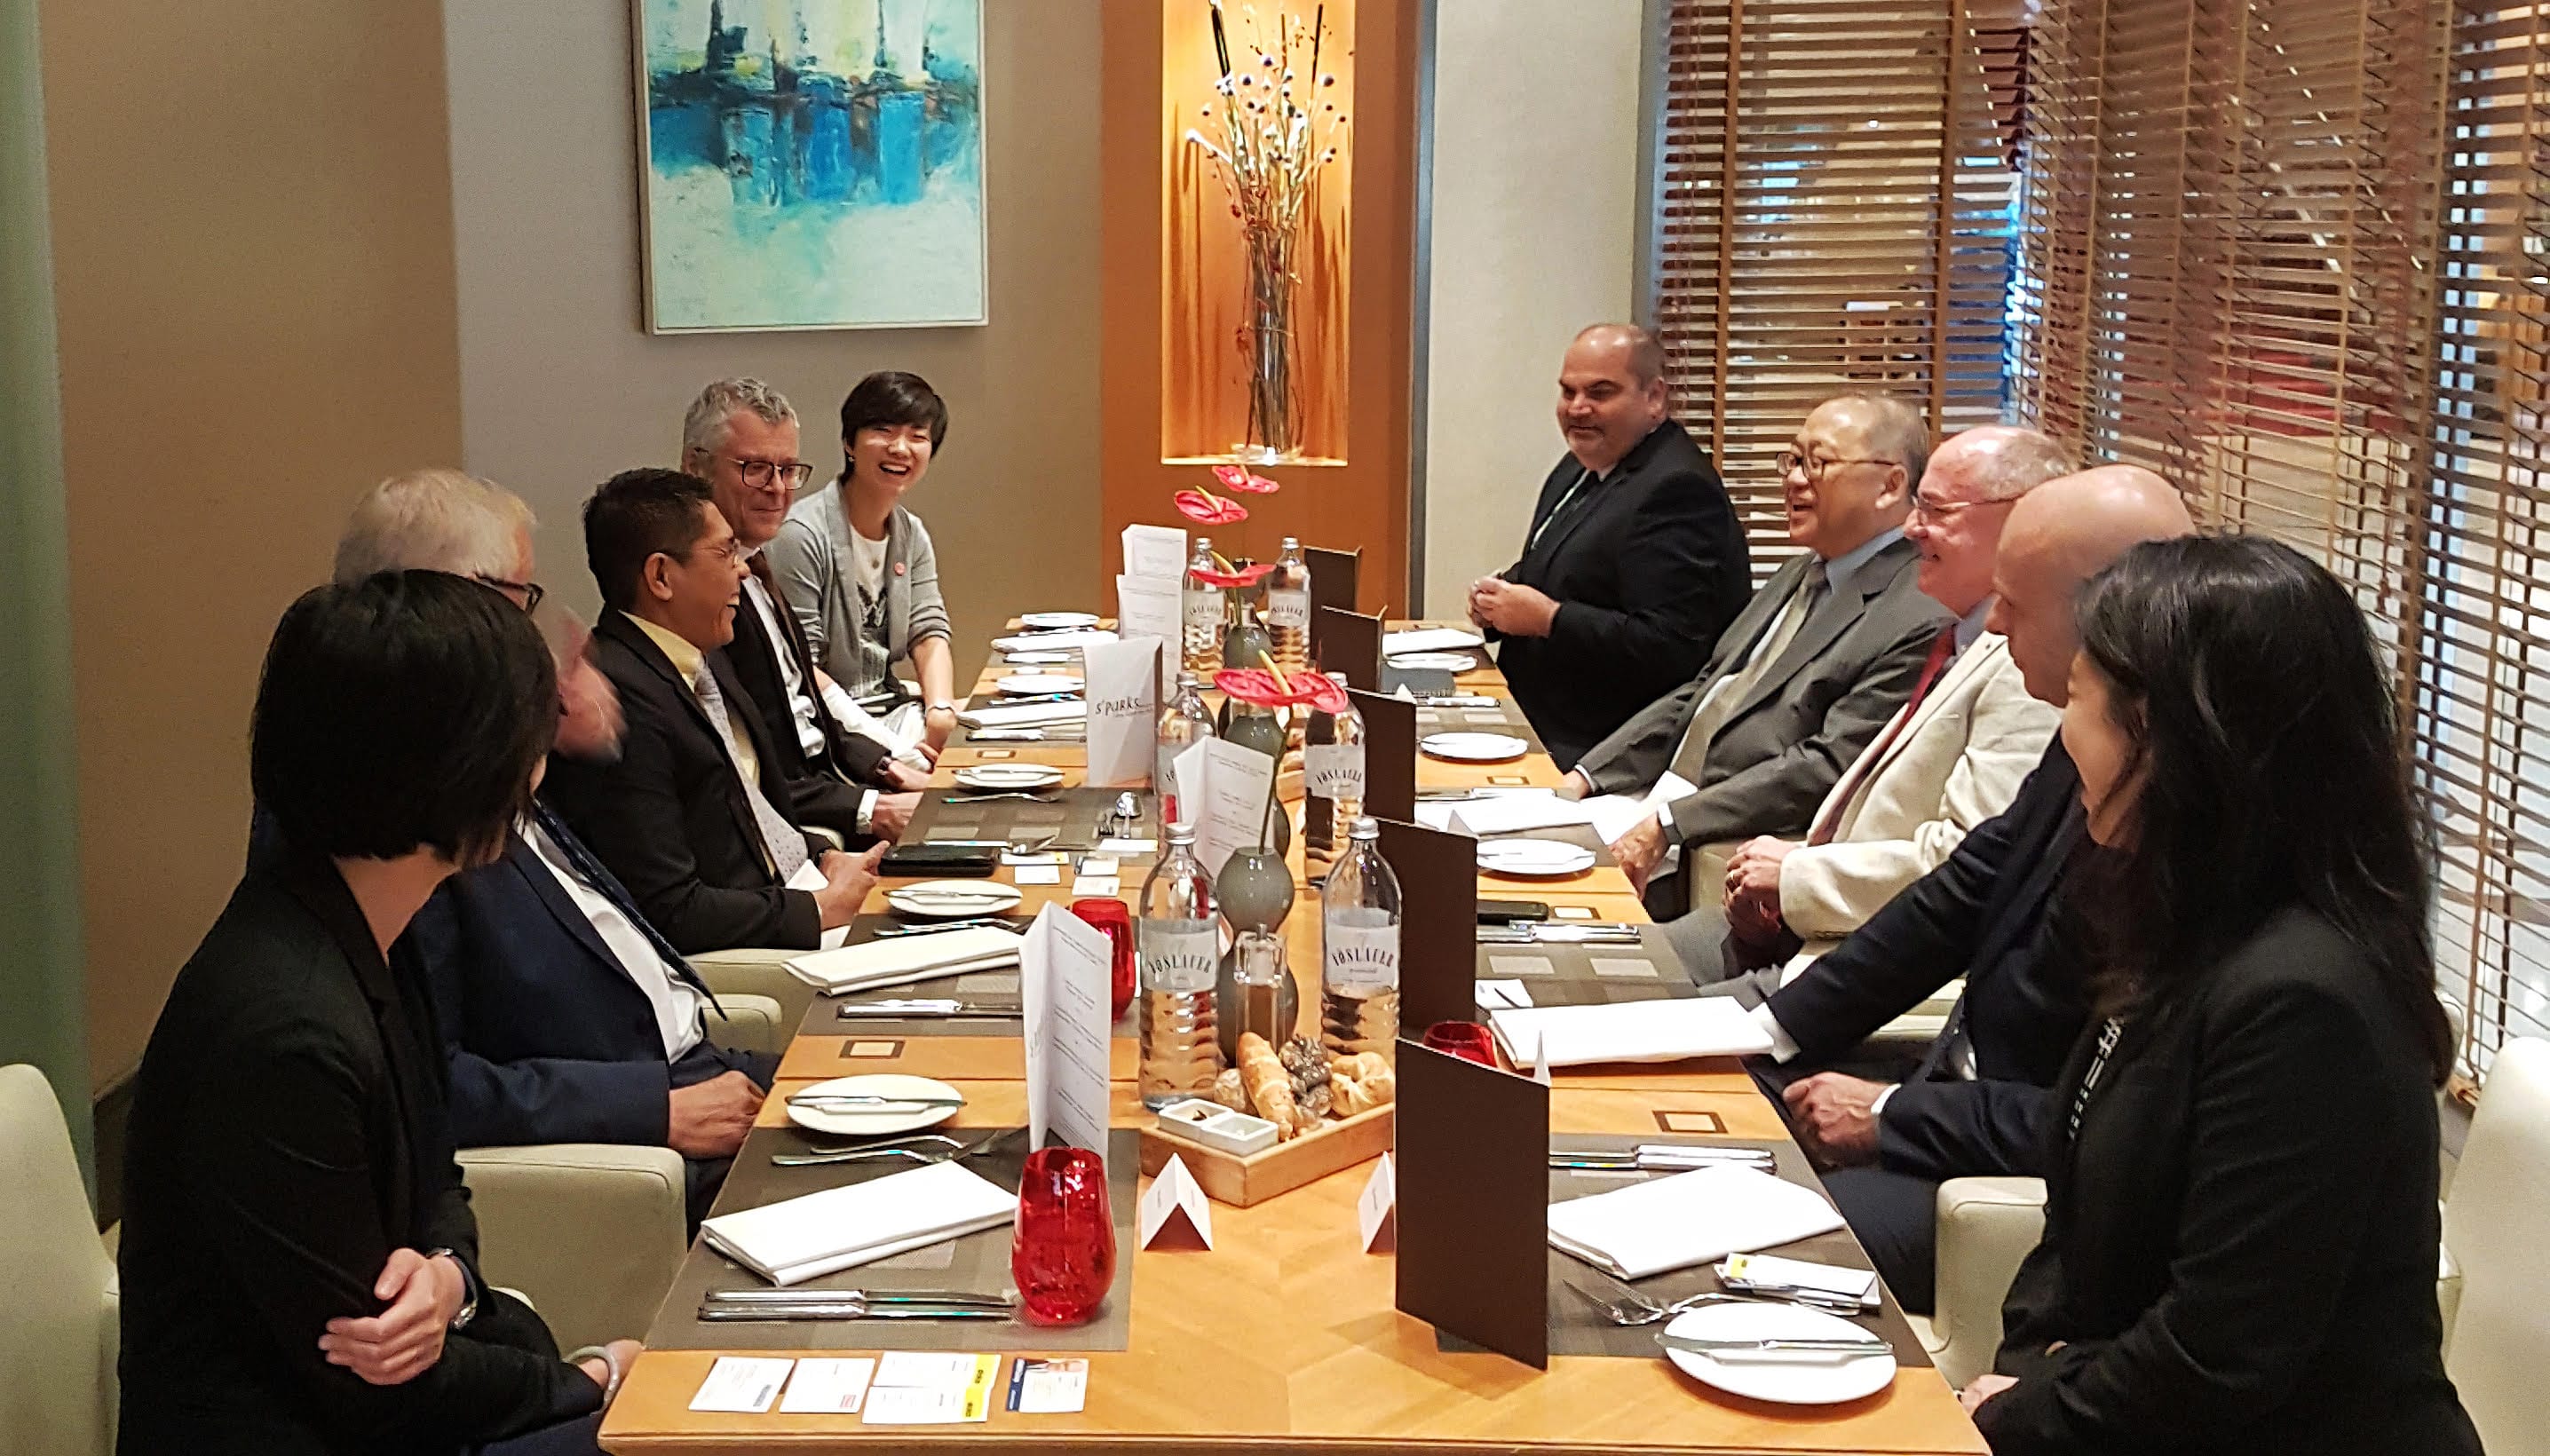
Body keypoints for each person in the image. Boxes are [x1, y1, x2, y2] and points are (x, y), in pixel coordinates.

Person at [1960, 535, 2481, 1455]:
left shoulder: (2303, 1000)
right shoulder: (2187, 930)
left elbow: (2222, 1354)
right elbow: (2075, 1233)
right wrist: (2026, 1371)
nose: (2061, 735)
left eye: (2076, 698)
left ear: (2169, 737)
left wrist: (2022, 1410)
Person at [118, 573, 635, 1455]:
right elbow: (373, 1381)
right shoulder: (282, 1029)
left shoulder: (373, 926)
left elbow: (437, 1174)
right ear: (455, 764)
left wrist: (449, 1276)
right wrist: (588, 1378)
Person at [1745, 465, 2194, 1314]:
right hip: (1952, 1098)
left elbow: (2109, 1116)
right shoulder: (2088, 734)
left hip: (2009, 1185)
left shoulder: (2188, 841)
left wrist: (1893, 1114)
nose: (1993, 623)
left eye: (2017, 603)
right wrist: (1769, 1031)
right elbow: (1961, 893)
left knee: (1743, 1234)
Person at [1564, 395, 1952, 970]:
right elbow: (1704, 690)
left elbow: (1826, 765)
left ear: (1890, 485)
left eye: (1817, 464)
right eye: (1791, 461)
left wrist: (1670, 823)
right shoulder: (1802, 569)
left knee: (1566, 953)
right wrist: (1584, 777)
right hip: (1652, 797)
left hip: (1726, 829)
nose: (1793, 481)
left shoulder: (1916, 611)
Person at [1702, 426, 2071, 990]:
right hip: (1813, 934)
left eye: (1935, 510)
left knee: (1607, 1013)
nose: (1911, 527)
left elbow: (1968, 864)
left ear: (2020, 521)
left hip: (1873, 974)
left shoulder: (2028, 669)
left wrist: (1798, 876)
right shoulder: (1963, 636)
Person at [543, 469, 883, 953]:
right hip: (745, 949)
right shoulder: (618, 698)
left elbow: (752, 809)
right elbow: (668, 908)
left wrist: (825, 856)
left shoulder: (703, 656)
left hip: (793, 891)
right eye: (725, 553)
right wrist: (819, 908)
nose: (743, 570)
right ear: (661, 577)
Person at [1466, 324, 1748, 769]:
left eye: (1600, 393)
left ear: (1654, 398)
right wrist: (1501, 597)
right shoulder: (1581, 464)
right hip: (1532, 713)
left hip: (1602, 748)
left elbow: (1672, 646)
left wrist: (1548, 619)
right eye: (1568, 392)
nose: (1578, 408)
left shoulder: (1677, 488)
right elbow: (1571, 568)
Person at [678, 378, 927, 843]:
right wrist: (872, 808)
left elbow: (807, 709)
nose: (778, 489)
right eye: (756, 469)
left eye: (788, 469)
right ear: (695, 467)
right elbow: (749, 768)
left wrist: (887, 765)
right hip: (798, 818)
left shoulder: (757, 564)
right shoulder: (693, 597)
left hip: (837, 782)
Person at [764, 370, 962, 753]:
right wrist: (893, 752)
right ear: (849, 442)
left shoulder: (911, 535)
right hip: (828, 731)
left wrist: (940, 712)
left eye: (917, 436)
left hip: (893, 712)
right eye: (883, 431)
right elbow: (800, 667)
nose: (900, 448)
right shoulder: (801, 535)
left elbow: (928, 630)